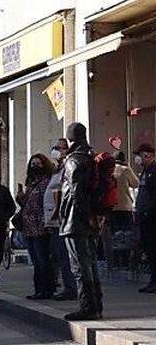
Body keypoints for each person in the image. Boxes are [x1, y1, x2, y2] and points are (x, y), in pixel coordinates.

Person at [59, 123, 104, 321]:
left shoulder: (74, 160)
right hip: (87, 219)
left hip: (75, 220)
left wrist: (82, 216)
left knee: (79, 265)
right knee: (89, 263)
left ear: (70, 138)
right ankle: (96, 304)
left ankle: (88, 306)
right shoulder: (89, 156)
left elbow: (76, 192)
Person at [17, 155, 58, 300]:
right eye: (33, 163)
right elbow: (28, 204)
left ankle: (46, 290)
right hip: (29, 228)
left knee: (43, 260)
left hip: (41, 228)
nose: (35, 166)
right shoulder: (31, 183)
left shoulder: (46, 182)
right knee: (36, 261)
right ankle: (39, 290)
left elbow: (46, 205)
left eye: (38, 163)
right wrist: (20, 197)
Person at [45, 139, 77, 300]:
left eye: (59, 148)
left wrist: (57, 212)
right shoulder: (56, 169)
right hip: (54, 219)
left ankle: (71, 288)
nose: (56, 151)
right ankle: (68, 286)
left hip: (61, 218)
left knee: (65, 256)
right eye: (55, 148)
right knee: (59, 255)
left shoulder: (67, 167)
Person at [135, 144, 156, 293]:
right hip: (144, 215)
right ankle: (152, 281)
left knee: (153, 249)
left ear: (147, 155)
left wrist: (149, 211)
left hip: (152, 217)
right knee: (149, 250)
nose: (138, 158)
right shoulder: (145, 171)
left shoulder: (154, 171)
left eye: (140, 155)